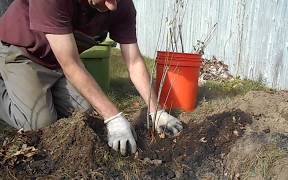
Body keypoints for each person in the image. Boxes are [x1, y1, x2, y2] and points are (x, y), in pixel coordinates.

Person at [0, 0, 183, 155]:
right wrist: (113, 117)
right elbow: (71, 64)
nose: (112, 7)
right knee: (40, 124)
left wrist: (156, 111)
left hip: (58, 61)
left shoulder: (121, 5)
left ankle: (42, 93)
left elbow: (134, 62)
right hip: (24, 53)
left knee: (85, 112)